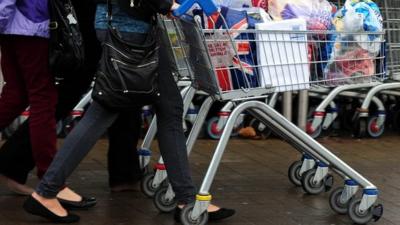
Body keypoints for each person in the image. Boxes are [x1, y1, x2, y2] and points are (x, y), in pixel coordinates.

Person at [23, 0, 235, 223]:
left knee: (164, 107)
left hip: (122, 26)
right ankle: (46, 191)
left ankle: (186, 197)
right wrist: (165, 4)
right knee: (113, 111)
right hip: (128, 31)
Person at [0, 0, 143, 195]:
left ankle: (25, 167)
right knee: (61, 90)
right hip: (47, 20)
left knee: (34, 93)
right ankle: (48, 183)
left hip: (35, 20)